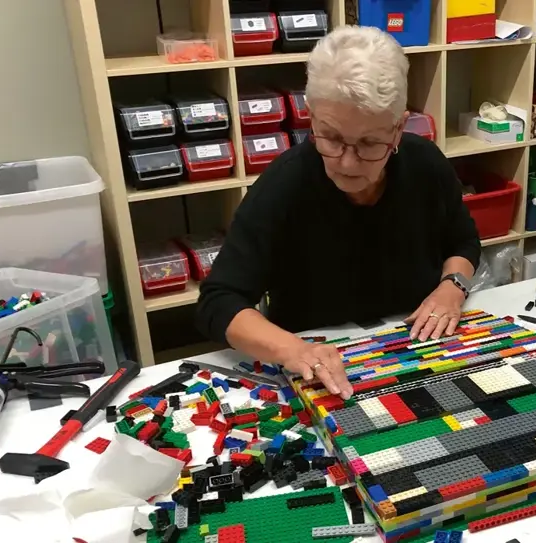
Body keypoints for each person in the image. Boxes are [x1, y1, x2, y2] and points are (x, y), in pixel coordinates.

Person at [196, 26, 480, 400]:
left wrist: (452, 289)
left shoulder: (426, 165)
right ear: (311, 117)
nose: (347, 162)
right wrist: (292, 349)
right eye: (330, 137)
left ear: (397, 129)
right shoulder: (285, 185)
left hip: (415, 353)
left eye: (369, 142)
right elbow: (218, 302)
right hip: (320, 369)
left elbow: (462, 240)